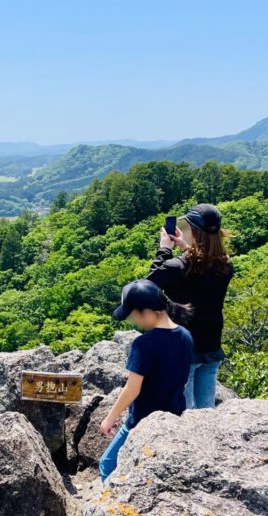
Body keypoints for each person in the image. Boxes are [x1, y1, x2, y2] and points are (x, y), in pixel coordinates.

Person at [98, 279, 193, 482]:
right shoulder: (185, 336)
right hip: (174, 416)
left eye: (134, 317)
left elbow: (132, 389)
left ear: (147, 311)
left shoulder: (143, 344)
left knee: (107, 464)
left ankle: (111, 510)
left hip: (142, 421)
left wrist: (110, 418)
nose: (135, 323)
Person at [147, 203, 233, 409]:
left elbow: (148, 284)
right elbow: (203, 268)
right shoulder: (226, 265)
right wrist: (186, 247)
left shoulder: (176, 267)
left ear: (194, 232)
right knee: (206, 411)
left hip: (184, 348)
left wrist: (164, 249)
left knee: (184, 412)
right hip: (211, 345)